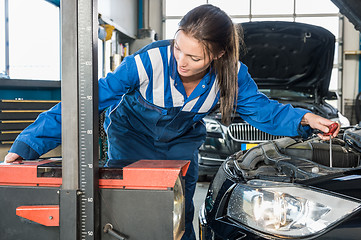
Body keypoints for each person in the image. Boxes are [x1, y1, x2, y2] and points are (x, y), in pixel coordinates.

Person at [4, 4, 339, 240]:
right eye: (178, 47)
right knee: (124, 208)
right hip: (130, 136)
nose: (180, 60)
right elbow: (86, 101)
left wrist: (305, 119)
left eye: (194, 57)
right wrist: (28, 144)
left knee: (178, 212)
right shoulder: (148, 62)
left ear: (218, 55)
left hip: (181, 145)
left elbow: (262, 111)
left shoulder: (232, 76)